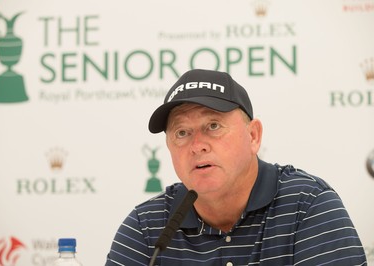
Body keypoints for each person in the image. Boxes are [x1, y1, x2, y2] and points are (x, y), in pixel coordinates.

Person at [105, 69, 367, 265]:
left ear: (253, 136)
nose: (197, 145)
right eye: (182, 132)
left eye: (213, 126)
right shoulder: (148, 227)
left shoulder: (308, 205)